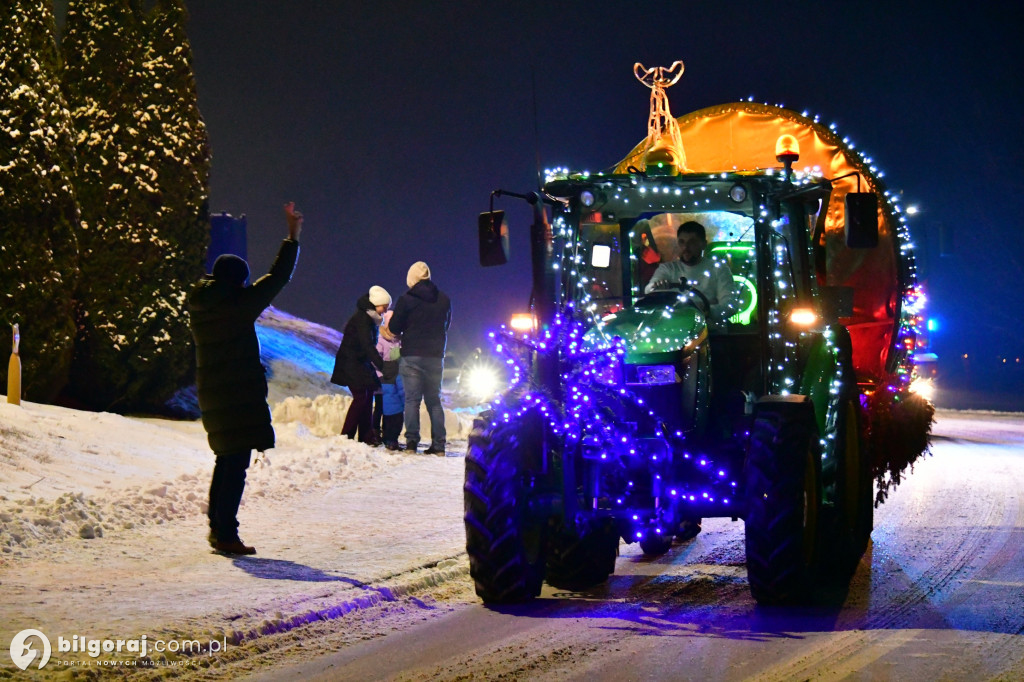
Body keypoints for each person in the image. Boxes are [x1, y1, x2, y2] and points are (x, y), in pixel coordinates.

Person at [188, 202, 302, 556]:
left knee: (226, 459)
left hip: (215, 395)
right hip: (235, 395)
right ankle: (225, 533)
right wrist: (292, 236)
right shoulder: (236, 307)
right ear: (237, 281)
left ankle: (218, 529)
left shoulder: (203, 305)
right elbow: (277, 278)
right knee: (234, 464)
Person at [388, 261, 451, 455]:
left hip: (412, 356)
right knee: (434, 401)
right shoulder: (444, 299)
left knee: (412, 400)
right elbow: (446, 325)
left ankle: (411, 443)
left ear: (412, 278)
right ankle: (439, 445)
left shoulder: (406, 300)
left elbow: (394, 328)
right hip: (435, 356)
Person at [644, 220, 736, 324]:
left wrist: (703, 310)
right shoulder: (667, 268)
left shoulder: (719, 269)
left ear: (703, 245)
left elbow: (730, 306)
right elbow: (648, 289)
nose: (685, 247)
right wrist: (656, 286)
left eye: (692, 242)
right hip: (674, 328)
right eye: (682, 242)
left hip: (710, 330)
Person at [332, 286, 391, 445]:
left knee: (368, 393)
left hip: (360, 363)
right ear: (376, 304)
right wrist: (382, 366)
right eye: (384, 307)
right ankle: (346, 437)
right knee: (361, 397)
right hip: (351, 362)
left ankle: (366, 436)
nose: (385, 311)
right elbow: (367, 345)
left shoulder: (369, 319)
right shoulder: (363, 319)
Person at [376, 310, 406, 451]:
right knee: (388, 409)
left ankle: (393, 438)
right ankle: (388, 437)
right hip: (385, 379)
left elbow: (395, 359)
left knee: (398, 411)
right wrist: (380, 375)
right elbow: (376, 361)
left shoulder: (397, 341)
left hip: (396, 377)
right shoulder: (381, 340)